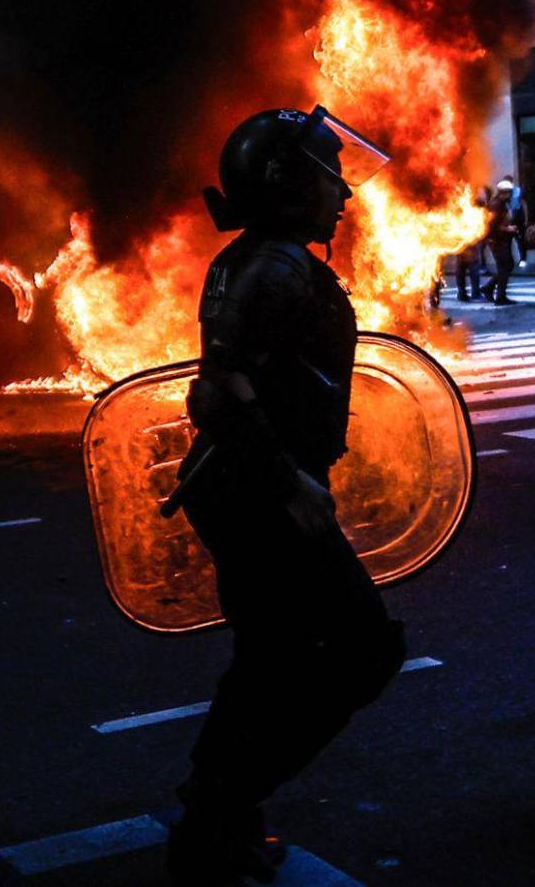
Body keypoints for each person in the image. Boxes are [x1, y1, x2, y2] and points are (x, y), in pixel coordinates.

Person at [169, 108, 406, 884]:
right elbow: (217, 391)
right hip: (257, 492)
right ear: (287, 184)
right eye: (329, 176)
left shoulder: (267, 261)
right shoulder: (271, 268)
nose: (344, 193)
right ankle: (220, 809)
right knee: (365, 650)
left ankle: (215, 819)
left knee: (266, 660)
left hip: (251, 485)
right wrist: (288, 481)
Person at [482, 178, 519, 305]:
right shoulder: (496, 205)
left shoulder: (502, 203)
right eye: (509, 192)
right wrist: (508, 229)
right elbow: (492, 225)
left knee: (506, 266)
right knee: (505, 266)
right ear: (504, 192)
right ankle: (499, 296)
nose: (510, 195)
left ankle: (490, 289)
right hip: (497, 240)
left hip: (501, 239)